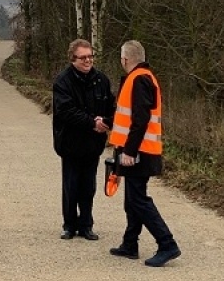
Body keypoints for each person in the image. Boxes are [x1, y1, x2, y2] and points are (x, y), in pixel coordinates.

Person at [109, 39, 181, 267]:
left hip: (139, 151)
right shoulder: (141, 78)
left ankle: (167, 243)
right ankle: (130, 243)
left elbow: (141, 119)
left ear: (125, 59)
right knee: (132, 199)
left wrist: (129, 151)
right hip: (139, 149)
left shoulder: (139, 79)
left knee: (138, 200)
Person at [52, 38, 115, 240]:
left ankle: (86, 224)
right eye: (83, 57)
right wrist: (92, 123)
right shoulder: (63, 81)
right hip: (70, 142)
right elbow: (66, 111)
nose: (88, 61)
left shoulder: (101, 80)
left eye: (90, 56)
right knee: (71, 185)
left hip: (93, 144)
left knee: (89, 186)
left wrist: (107, 121)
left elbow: (112, 107)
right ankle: (69, 224)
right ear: (73, 59)